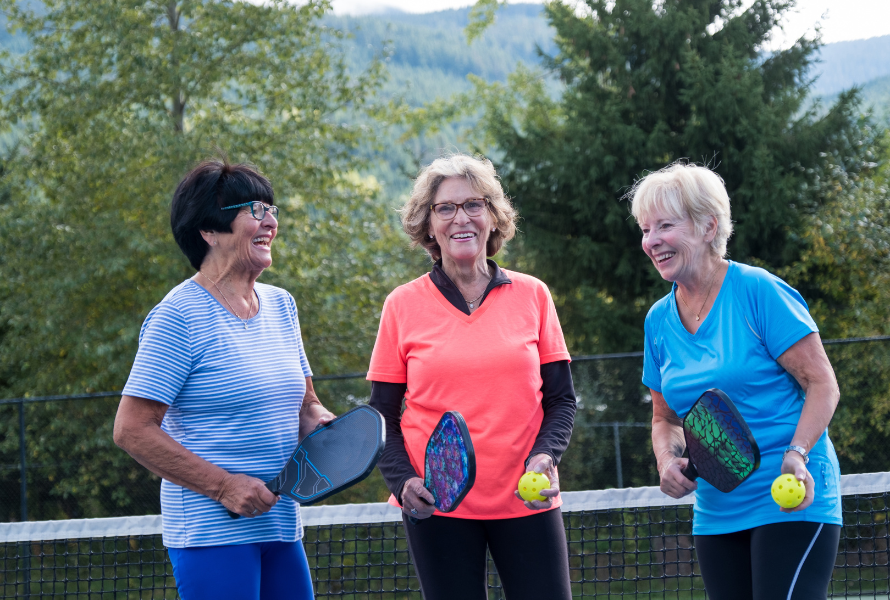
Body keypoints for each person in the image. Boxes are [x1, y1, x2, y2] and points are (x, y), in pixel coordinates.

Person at [113, 159, 335, 600]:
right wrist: (224, 485)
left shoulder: (282, 305)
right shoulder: (177, 317)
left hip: (281, 524)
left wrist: (331, 430)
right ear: (209, 231)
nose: (271, 222)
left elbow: (305, 403)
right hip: (212, 533)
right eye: (255, 210)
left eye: (272, 210)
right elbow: (131, 430)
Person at [367, 154, 577, 600]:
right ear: (428, 224)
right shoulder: (401, 306)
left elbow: (561, 400)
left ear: (493, 217)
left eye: (474, 204)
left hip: (527, 502)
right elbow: (381, 414)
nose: (461, 218)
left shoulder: (534, 295)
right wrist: (404, 481)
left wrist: (546, 455)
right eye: (446, 208)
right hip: (438, 508)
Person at [630, 162, 842, 599]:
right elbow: (664, 418)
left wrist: (797, 455)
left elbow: (822, 384)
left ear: (709, 226)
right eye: (646, 229)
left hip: (792, 495)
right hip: (717, 508)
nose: (651, 241)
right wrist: (667, 463)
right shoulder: (658, 321)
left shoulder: (759, 291)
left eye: (665, 226)